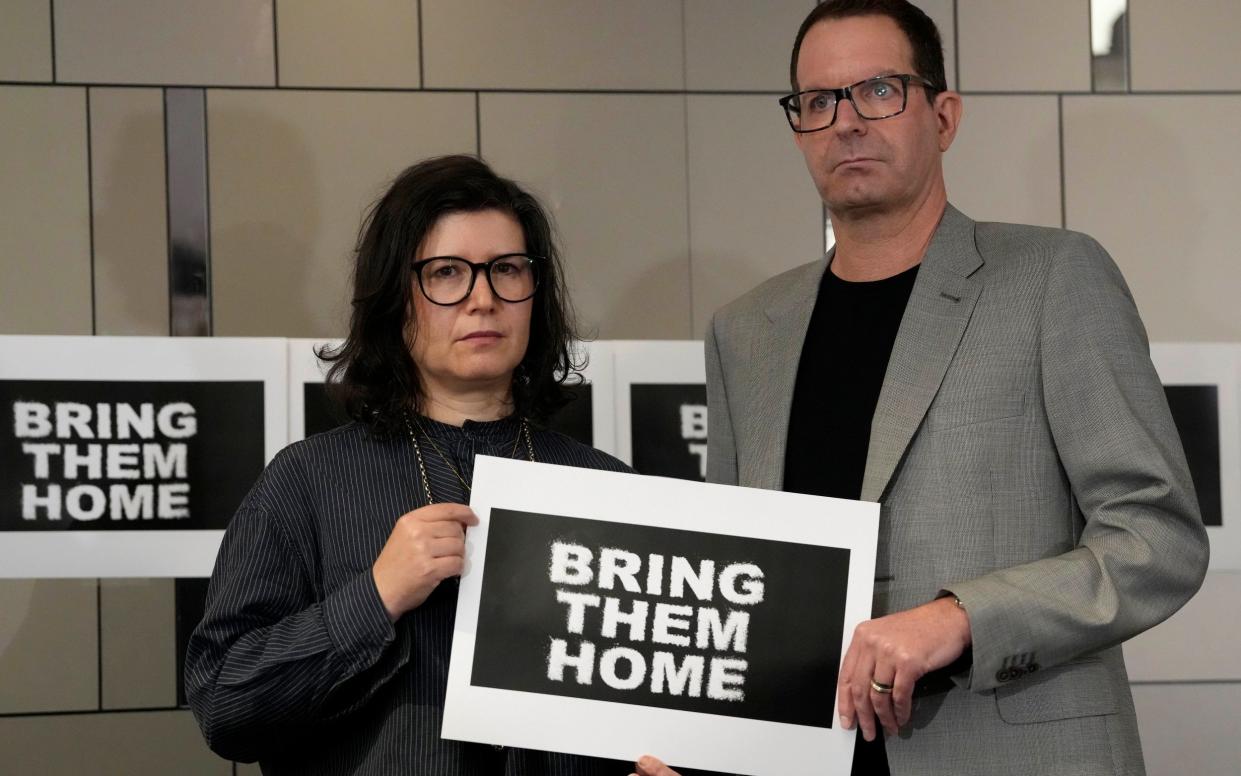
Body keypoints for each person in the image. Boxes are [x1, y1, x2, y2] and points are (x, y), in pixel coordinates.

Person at [636, 1, 1208, 775]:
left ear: (943, 115)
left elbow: (1157, 538)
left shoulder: (1051, 277)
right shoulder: (745, 332)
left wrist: (961, 618)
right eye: (818, 101)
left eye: (878, 90)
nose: (845, 121)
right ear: (798, 126)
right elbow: (739, 583)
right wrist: (700, 741)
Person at [185, 155, 633, 775]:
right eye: (447, 273)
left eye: (507, 269)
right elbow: (224, 706)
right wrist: (375, 596)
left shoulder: (608, 488)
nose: (483, 299)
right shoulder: (308, 482)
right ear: (397, 298)